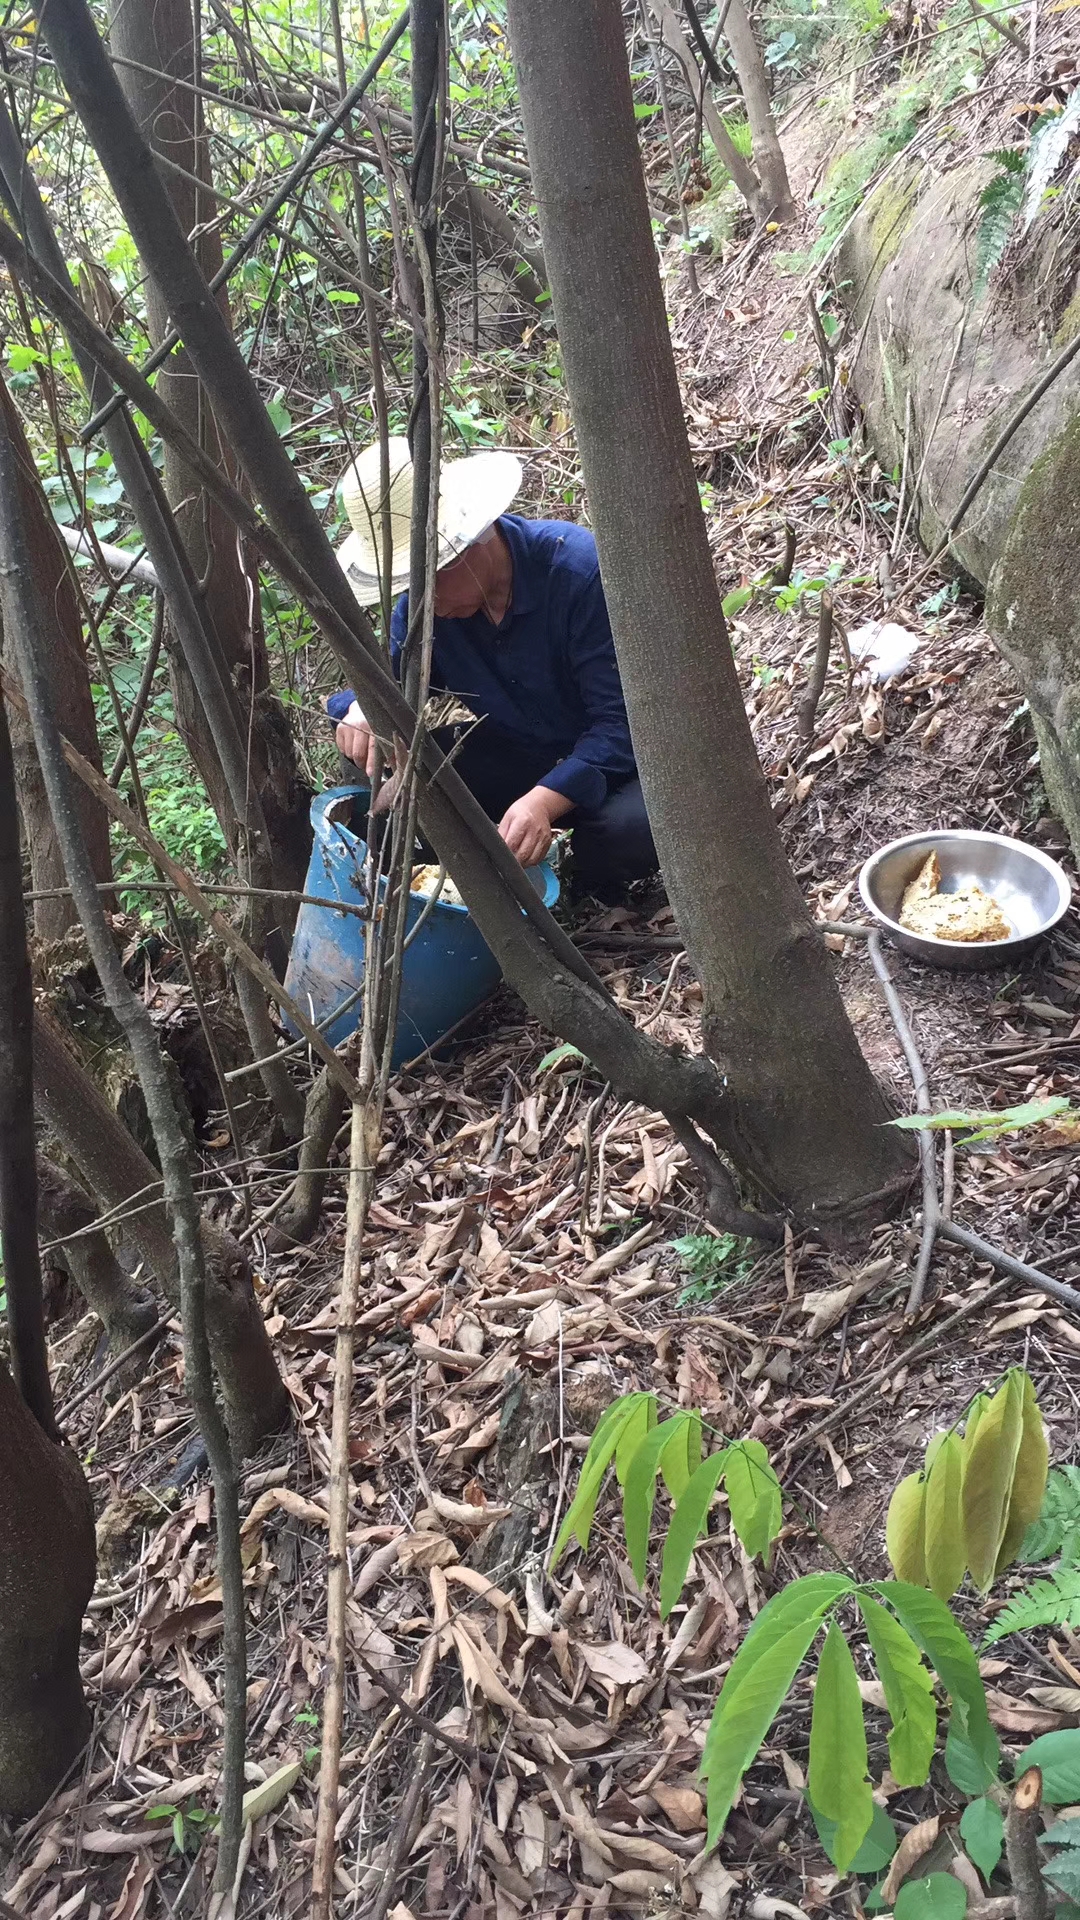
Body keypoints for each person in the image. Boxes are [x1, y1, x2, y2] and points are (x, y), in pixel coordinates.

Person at [326, 436, 658, 902]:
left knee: (631, 831)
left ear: (471, 543)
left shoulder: (577, 574)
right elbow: (399, 695)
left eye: (431, 578)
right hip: (514, 756)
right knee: (376, 744)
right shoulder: (422, 613)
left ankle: (586, 877)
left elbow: (623, 724)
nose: (425, 601)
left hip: (614, 770)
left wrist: (545, 800)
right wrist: (362, 708)